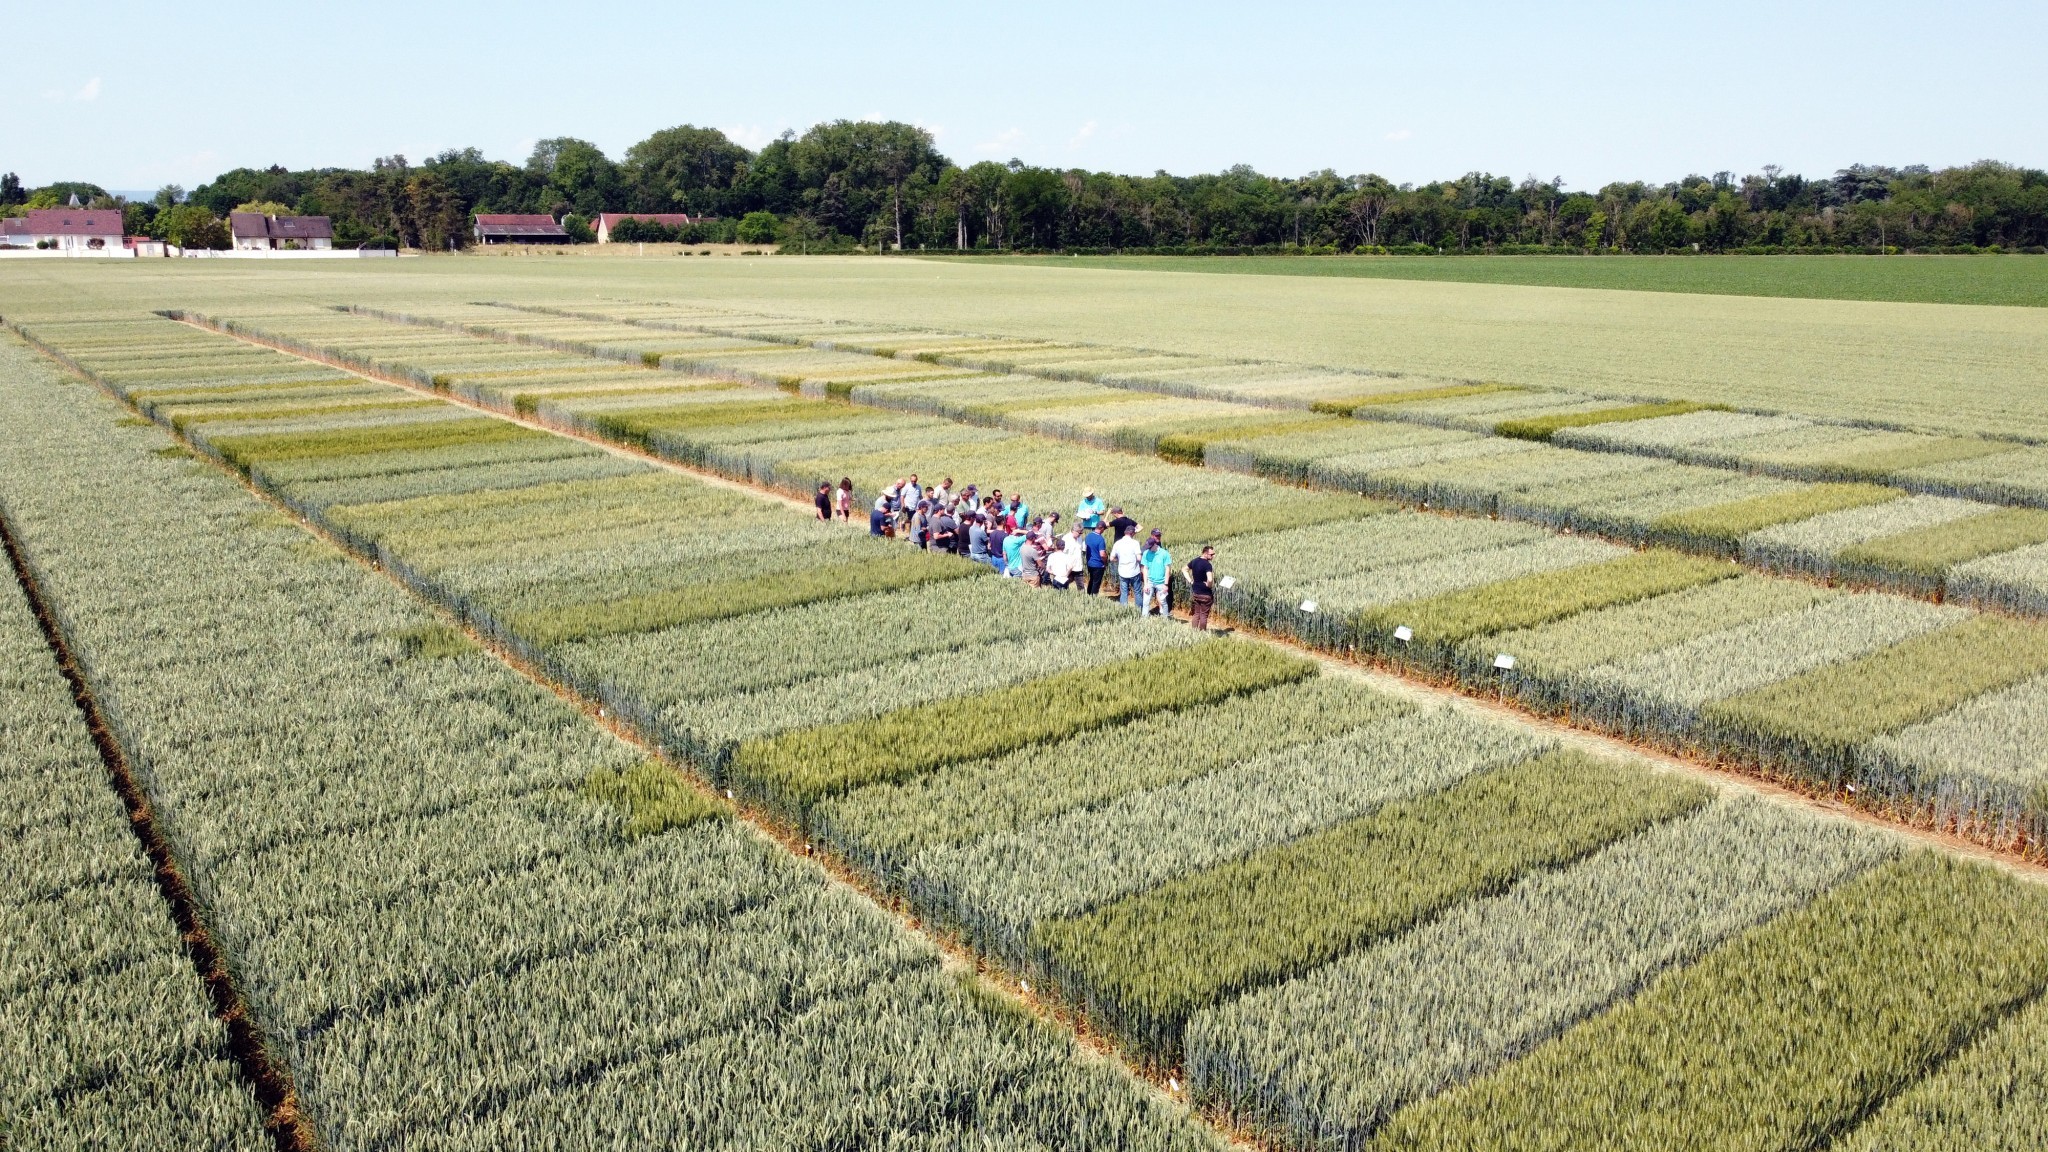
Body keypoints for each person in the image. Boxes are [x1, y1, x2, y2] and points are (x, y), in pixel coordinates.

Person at [1111, 525, 1145, 609]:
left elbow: (1111, 558)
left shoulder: (1117, 543)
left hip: (1122, 571)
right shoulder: (1135, 543)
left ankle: (1124, 610)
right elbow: (1139, 558)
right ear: (1132, 533)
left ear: (1125, 532)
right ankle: (1139, 610)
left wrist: (1119, 560)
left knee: (1124, 592)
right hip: (1134, 572)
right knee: (1137, 592)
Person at [1141, 530, 1173, 618]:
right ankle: (1144, 618)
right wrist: (1145, 584)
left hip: (1161, 582)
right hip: (1150, 581)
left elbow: (1167, 569)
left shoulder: (1164, 554)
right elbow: (1145, 569)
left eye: (1149, 547)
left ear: (1154, 545)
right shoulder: (1146, 553)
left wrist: (1166, 584)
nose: (1148, 549)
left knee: (1163, 602)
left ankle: (1165, 618)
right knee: (1146, 601)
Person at [1185, 544, 1216, 631]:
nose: (1213, 556)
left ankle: (1194, 631)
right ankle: (1202, 632)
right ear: (1205, 553)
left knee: (1196, 613)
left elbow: (1184, 569)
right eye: (1211, 554)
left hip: (1196, 592)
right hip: (1205, 594)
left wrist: (1190, 581)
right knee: (1203, 615)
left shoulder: (1194, 561)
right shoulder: (1207, 565)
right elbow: (1210, 579)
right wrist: (1209, 585)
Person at [1083, 522, 1108, 596]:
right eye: (1104, 529)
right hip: (1098, 564)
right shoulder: (1101, 539)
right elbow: (1102, 554)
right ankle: (1093, 598)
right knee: (1096, 583)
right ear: (1102, 528)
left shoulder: (1088, 536)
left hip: (1089, 563)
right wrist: (1105, 562)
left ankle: (1088, 595)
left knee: (1091, 580)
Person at [1060, 527, 1086, 592]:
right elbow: (1062, 553)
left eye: (1081, 533)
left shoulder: (1079, 538)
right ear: (1073, 531)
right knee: (1064, 583)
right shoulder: (1066, 538)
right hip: (1068, 566)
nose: (1080, 534)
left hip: (1078, 565)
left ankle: (1082, 598)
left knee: (1080, 585)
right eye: (1079, 533)